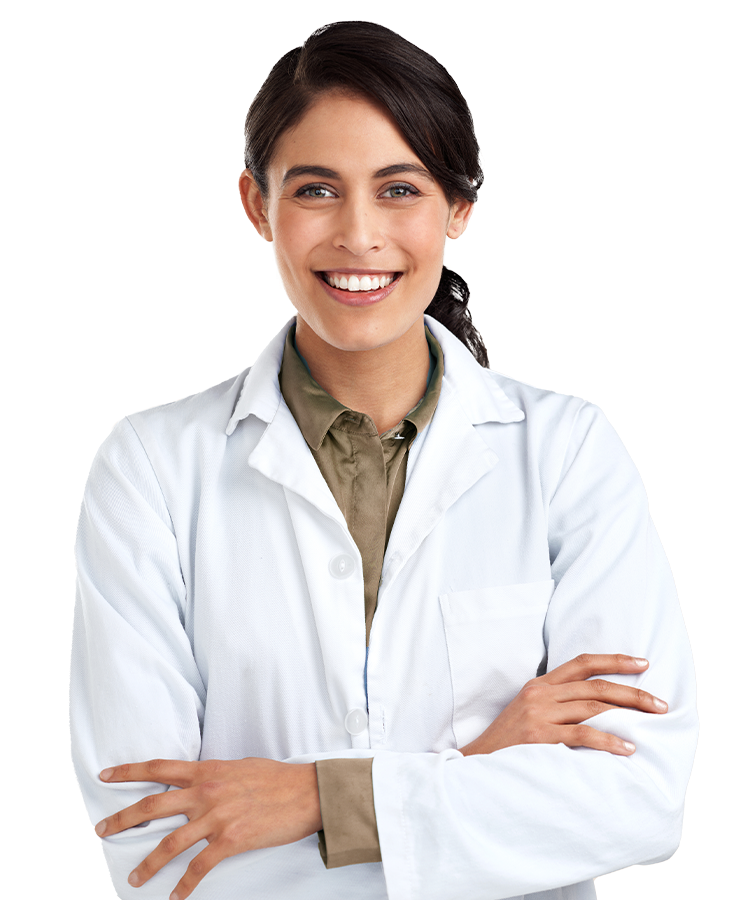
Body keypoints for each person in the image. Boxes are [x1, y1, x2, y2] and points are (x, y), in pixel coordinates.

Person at [70, 20, 698, 900]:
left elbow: (635, 801)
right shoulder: (151, 467)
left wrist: (314, 798)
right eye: (318, 189)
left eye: (399, 189)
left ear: (460, 209)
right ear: (258, 206)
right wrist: (478, 765)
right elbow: (154, 847)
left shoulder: (566, 450)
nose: (359, 236)